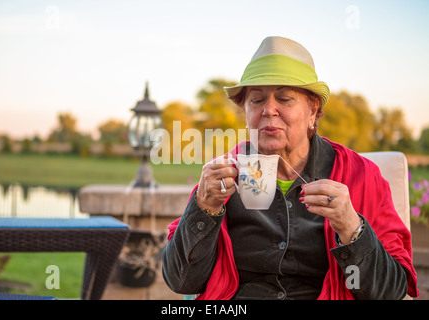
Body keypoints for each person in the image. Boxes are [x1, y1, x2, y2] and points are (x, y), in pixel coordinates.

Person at [161, 36, 419, 300]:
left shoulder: (362, 176)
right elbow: (182, 282)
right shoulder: (223, 175)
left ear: (312, 109)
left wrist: (351, 227)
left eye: (285, 99)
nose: (269, 110)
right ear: (245, 110)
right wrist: (204, 207)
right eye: (257, 100)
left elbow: (390, 293)